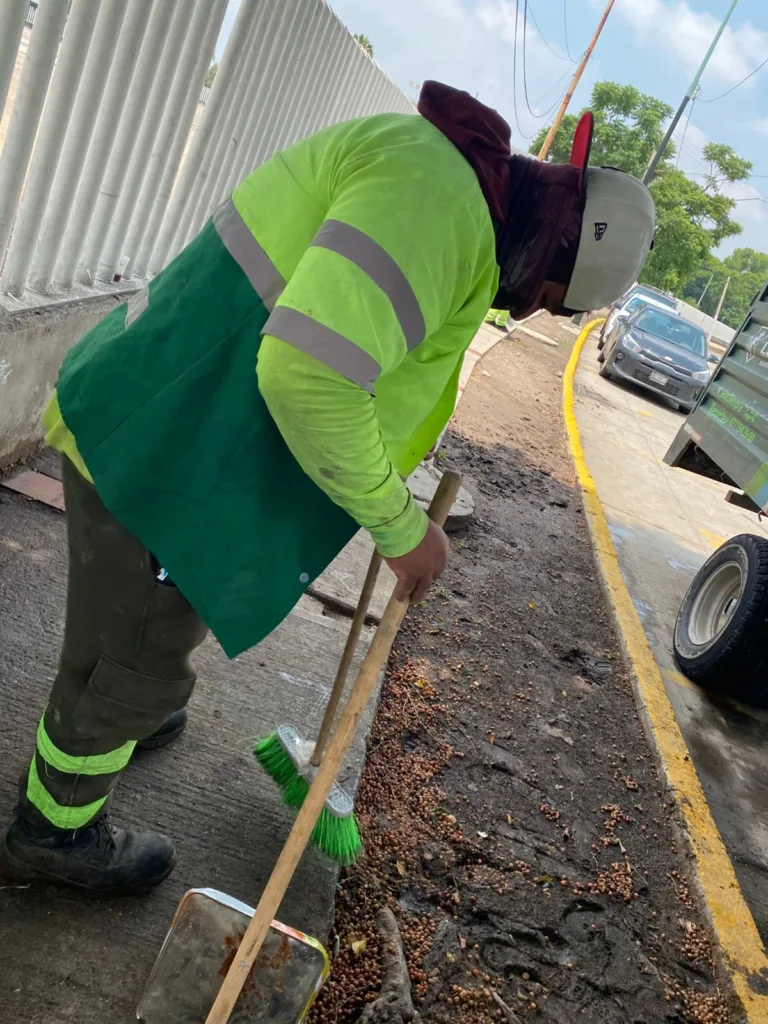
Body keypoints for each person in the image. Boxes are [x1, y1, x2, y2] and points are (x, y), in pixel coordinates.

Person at [0, 82, 655, 895]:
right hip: (168, 452)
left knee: (153, 625)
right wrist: (400, 526)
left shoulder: (442, 183)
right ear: (553, 246)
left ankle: (121, 718)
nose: (527, 309)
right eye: (549, 296)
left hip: (190, 425)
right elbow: (310, 374)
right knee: (130, 652)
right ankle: (55, 828)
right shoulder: (437, 208)